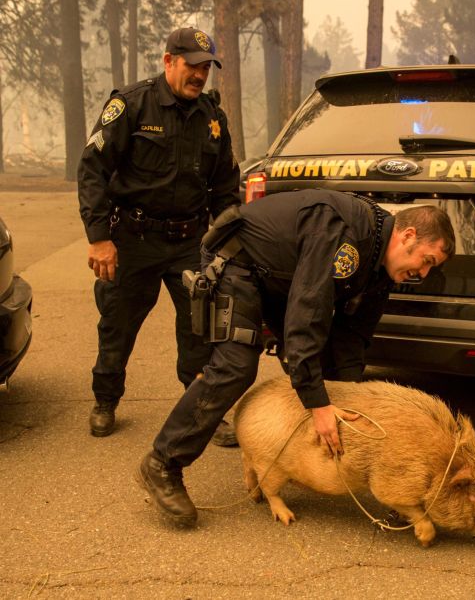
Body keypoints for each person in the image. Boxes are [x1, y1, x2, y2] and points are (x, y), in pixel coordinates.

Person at [135, 190, 456, 527]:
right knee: (236, 365)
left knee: (324, 365)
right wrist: (319, 406)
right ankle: (162, 463)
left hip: (277, 278)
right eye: (427, 260)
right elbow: (307, 314)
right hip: (238, 262)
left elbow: (352, 340)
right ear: (407, 236)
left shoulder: (380, 267)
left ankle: (310, 459)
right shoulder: (344, 236)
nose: (422, 273)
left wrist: (350, 406)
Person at [78, 27, 240, 441]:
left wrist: (226, 246)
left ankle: (202, 408)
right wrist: (99, 237)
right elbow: (92, 169)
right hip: (133, 238)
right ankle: (105, 399)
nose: (200, 75)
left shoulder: (213, 119)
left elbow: (224, 187)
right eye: (192, 65)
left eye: (206, 68)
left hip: (190, 243)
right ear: (169, 61)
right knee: (118, 323)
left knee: (199, 327)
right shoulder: (132, 104)